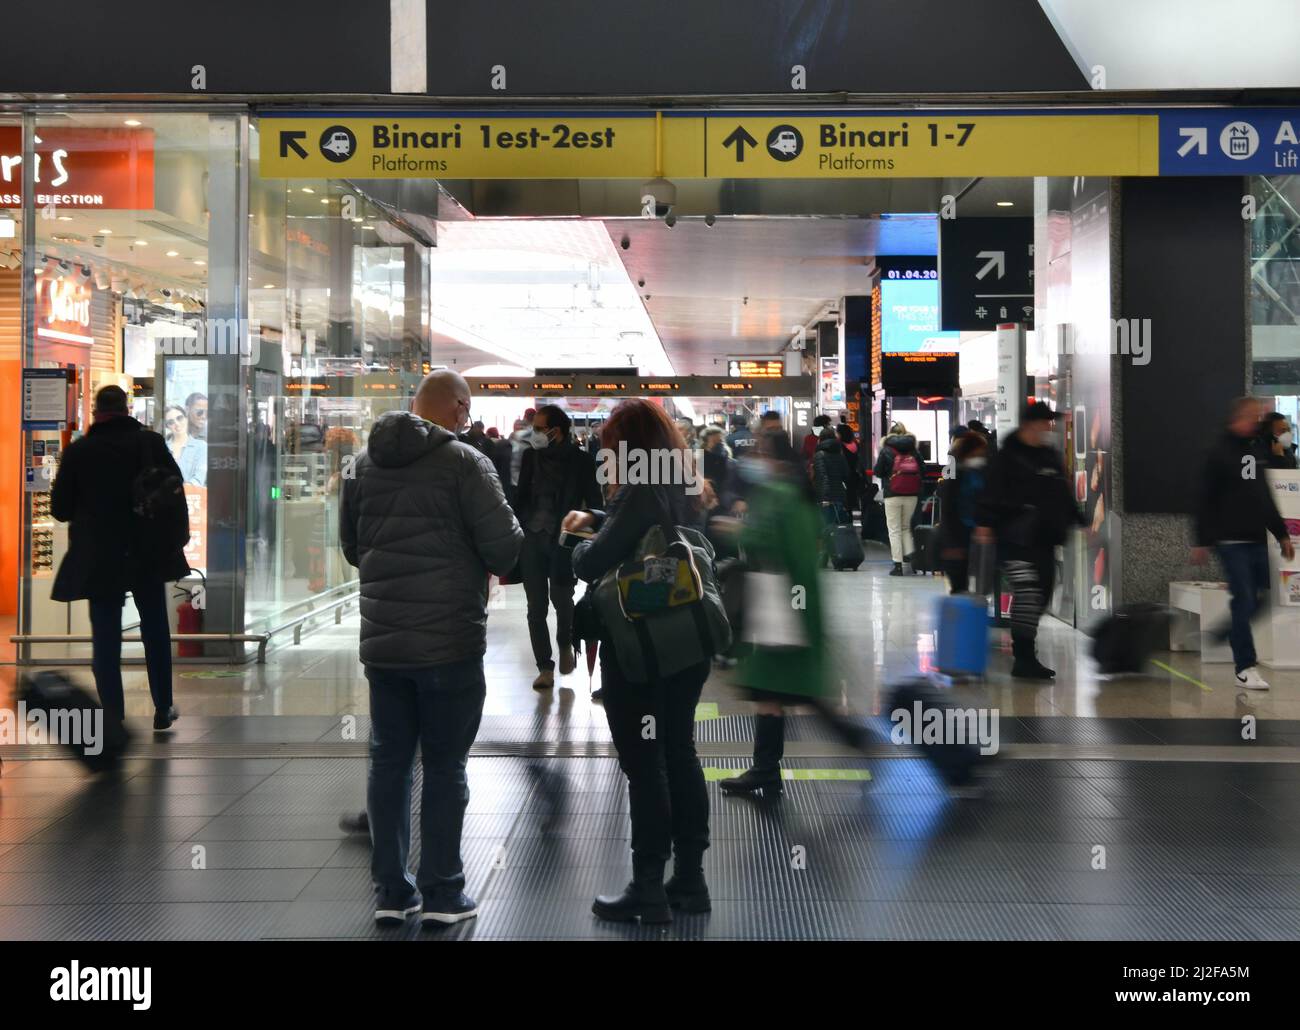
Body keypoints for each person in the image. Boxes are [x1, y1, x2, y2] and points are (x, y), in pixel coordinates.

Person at [339, 370, 523, 927]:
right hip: (450, 643)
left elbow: (352, 548)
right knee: (445, 765)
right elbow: (506, 548)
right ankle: (444, 892)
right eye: (466, 414)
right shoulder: (466, 464)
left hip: (385, 644)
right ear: (459, 408)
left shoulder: (363, 466)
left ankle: (392, 891)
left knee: (388, 762)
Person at [566, 399, 713, 923]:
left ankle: (647, 887)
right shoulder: (684, 484)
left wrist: (579, 538)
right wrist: (605, 519)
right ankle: (690, 882)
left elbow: (594, 562)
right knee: (679, 752)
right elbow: (655, 534)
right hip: (687, 644)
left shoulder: (636, 491)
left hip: (641, 649)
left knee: (645, 764)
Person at [50, 385, 188, 730]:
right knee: (155, 629)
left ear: (96, 412)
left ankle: (112, 715)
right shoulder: (150, 443)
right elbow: (174, 486)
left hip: (100, 556)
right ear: (127, 409)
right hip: (147, 551)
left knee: (106, 637)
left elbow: (61, 509)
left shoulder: (80, 451)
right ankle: (163, 706)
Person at [718, 431, 828, 797]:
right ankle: (766, 768)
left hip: (776, 604)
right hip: (794, 600)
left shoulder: (776, 495)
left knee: (773, 688)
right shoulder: (801, 494)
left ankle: (766, 769)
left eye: (761, 453)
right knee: (780, 690)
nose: (756, 460)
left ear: (773, 459)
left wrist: (735, 530)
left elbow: (764, 541)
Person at [974, 401, 1085, 680]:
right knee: (1027, 592)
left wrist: (1079, 520)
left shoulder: (1049, 456)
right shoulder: (1005, 458)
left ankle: (1025, 653)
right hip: (1014, 538)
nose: (1048, 428)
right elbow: (989, 493)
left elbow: (1062, 493)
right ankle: (1023, 657)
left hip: (1045, 537)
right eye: (1043, 423)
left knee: (1042, 594)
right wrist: (985, 524)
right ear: (1028, 425)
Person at [1192, 397, 1296, 689]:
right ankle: (1245, 666)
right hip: (1230, 541)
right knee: (1245, 599)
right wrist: (1201, 540)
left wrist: (1282, 533)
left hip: (1256, 539)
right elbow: (1204, 499)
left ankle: (1224, 632)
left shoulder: (1255, 451)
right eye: (1253, 415)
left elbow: (1263, 497)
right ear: (1238, 417)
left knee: (1266, 597)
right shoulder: (1217, 453)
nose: (1257, 420)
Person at [514, 404, 603, 690]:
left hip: (563, 539)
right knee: (535, 606)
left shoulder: (582, 461)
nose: (535, 433)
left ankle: (565, 642)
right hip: (531, 537)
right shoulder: (531, 457)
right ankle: (544, 666)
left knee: (562, 600)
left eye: (540, 428)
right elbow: (520, 496)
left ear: (558, 431)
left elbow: (595, 502)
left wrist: (591, 530)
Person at [936, 432, 989, 593]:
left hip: (978, 535)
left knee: (978, 585)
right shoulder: (958, 473)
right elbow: (948, 508)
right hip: (960, 536)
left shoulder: (981, 471)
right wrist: (951, 541)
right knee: (960, 584)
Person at [874, 421, 922, 575]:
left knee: (894, 530)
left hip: (893, 493)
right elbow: (923, 469)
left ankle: (898, 565)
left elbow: (878, 471)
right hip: (912, 494)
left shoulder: (887, 450)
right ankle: (912, 557)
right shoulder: (913, 449)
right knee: (906, 527)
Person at [812, 425, 850, 526]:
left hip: (826, 498)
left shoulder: (819, 455)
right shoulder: (840, 454)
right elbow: (846, 474)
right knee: (838, 527)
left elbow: (822, 476)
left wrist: (825, 497)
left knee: (825, 528)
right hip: (840, 496)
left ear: (820, 439)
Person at [162, 404, 207, 486]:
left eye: (179, 418)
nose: (177, 424)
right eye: (171, 422)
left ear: (186, 418)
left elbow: (199, 478)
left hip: (192, 496)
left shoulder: (201, 447)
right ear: (167, 426)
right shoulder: (162, 447)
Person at [836, 422, 861, 512]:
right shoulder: (855, 445)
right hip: (854, 474)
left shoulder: (839, 447)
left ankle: (846, 514)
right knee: (852, 495)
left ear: (841, 434)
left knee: (845, 497)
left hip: (844, 475)